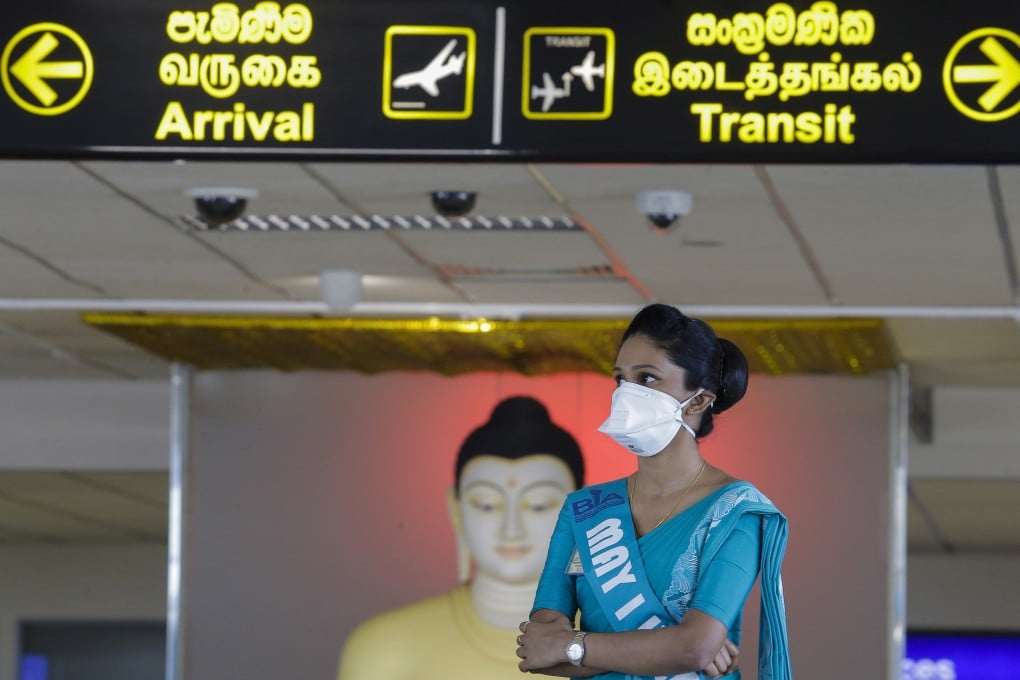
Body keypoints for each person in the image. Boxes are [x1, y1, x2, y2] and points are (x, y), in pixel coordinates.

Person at [516, 303, 792, 680]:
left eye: (646, 379)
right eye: (620, 379)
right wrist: (668, 649)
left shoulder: (736, 512)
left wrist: (572, 646)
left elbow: (695, 647)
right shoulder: (584, 510)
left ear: (698, 399)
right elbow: (537, 650)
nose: (627, 393)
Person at [337, 396, 586, 680]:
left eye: (539, 504)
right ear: (456, 510)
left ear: (581, 512)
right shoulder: (384, 646)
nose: (511, 529)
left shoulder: (612, 641)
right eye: (487, 504)